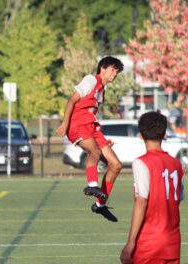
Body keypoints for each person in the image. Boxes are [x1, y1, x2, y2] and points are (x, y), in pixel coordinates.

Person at [56, 56, 124, 222]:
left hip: (92, 127)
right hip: (77, 124)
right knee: (94, 151)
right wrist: (65, 124)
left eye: (117, 71)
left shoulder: (102, 90)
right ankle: (91, 186)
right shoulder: (91, 80)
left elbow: (91, 115)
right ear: (102, 68)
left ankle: (100, 205)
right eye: (112, 69)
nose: (114, 74)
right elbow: (72, 101)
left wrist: (103, 139)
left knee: (116, 165)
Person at [121, 111, 184, 264]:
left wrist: (131, 242)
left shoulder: (141, 163)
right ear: (164, 135)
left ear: (140, 135)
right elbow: (178, 198)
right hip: (172, 241)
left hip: (149, 243)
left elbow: (141, 201)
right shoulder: (176, 163)